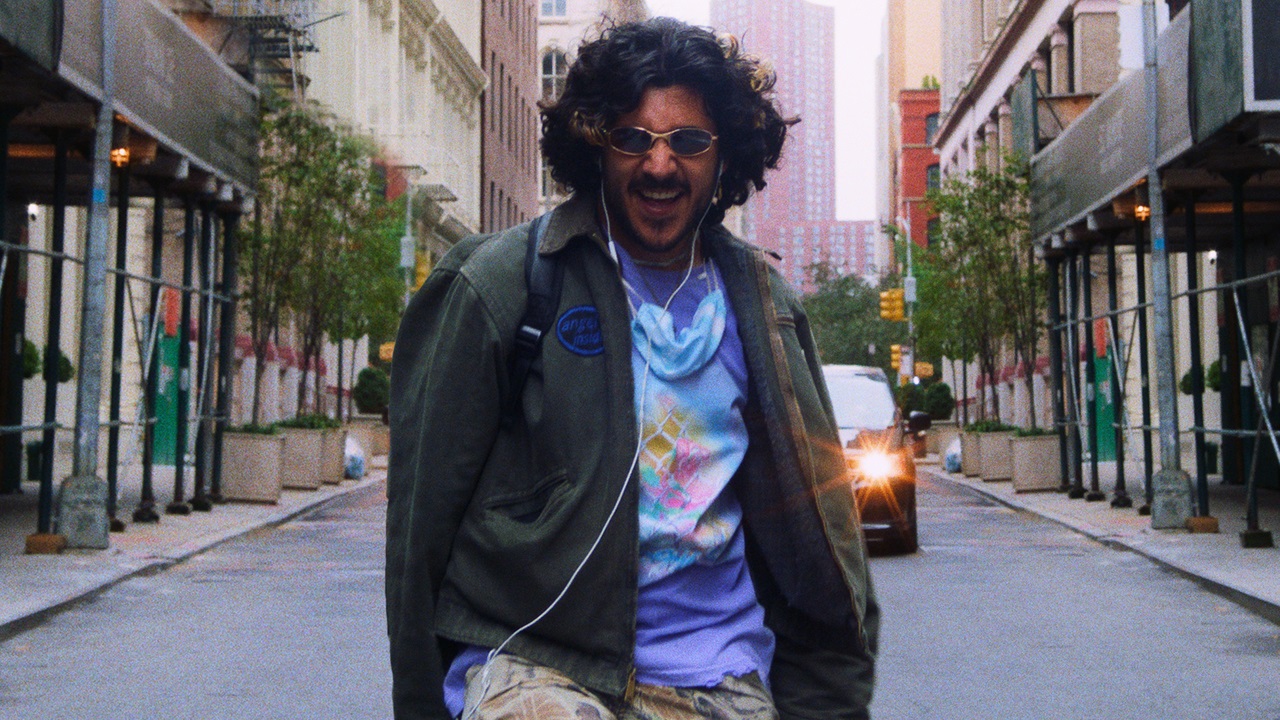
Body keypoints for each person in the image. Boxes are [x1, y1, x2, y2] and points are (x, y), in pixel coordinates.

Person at [387, 17, 879, 720]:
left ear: (725, 154)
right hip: (535, 661)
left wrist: (828, 700)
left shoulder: (763, 307)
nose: (660, 164)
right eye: (633, 139)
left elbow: (824, 537)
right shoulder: (500, 283)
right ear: (596, 146)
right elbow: (419, 536)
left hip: (718, 670)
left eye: (689, 141)